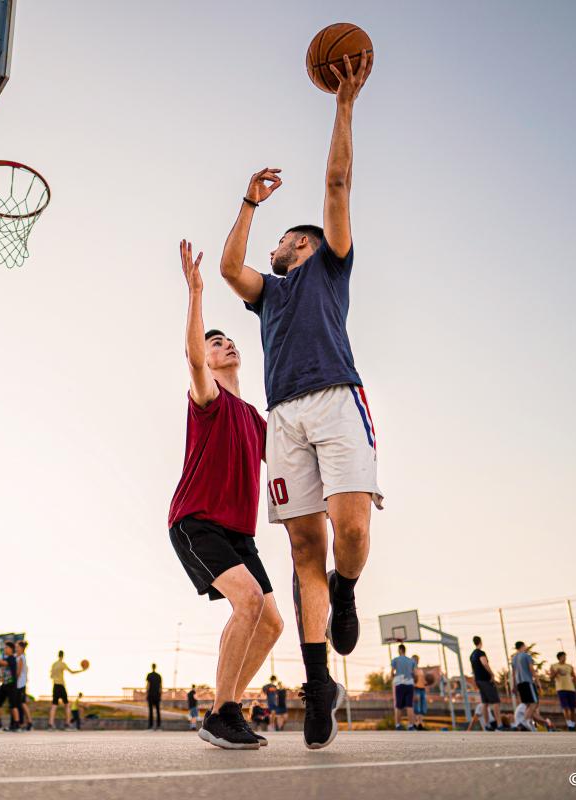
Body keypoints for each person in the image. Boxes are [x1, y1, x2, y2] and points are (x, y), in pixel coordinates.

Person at [219, 51, 377, 752]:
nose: (276, 244)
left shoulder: (330, 266)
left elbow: (338, 181)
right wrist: (250, 204)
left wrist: (343, 104)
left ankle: (347, 589)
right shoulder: (269, 295)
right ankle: (320, 687)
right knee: (302, 548)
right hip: (284, 417)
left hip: (338, 402)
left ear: (308, 246)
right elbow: (229, 269)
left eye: (285, 235)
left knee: (351, 536)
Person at [168, 241, 284, 751]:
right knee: (250, 602)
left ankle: (225, 710)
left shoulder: (256, 420)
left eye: (229, 340)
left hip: (239, 533)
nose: (224, 345)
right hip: (196, 521)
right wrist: (196, 295)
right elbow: (193, 357)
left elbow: (291, 465)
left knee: (273, 623)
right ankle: (222, 712)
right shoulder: (208, 399)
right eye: (217, 343)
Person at [469, 636, 502, 731]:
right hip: (485, 679)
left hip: (478, 680)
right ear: (480, 642)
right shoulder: (480, 653)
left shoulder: (472, 655)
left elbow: (473, 669)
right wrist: (491, 674)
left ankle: (487, 725)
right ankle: (499, 724)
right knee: (495, 701)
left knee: (485, 702)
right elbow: (484, 663)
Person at [49, 650, 86, 730]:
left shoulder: (54, 664)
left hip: (55, 685)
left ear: (58, 655)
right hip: (61, 685)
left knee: (54, 705)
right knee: (67, 705)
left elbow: (51, 676)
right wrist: (82, 670)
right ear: (63, 656)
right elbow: (72, 672)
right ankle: (67, 724)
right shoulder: (62, 664)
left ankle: (51, 724)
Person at [511, 642, 542, 731]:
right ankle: (524, 721)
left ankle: (527, 723)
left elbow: (513, 674)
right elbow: (531, 669)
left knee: (527, 704)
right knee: (534, 702)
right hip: (528, 682)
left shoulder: (514, 658)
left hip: (519, 683)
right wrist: (538, 682)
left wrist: (513, 686)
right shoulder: (526, 656)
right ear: (522, 646)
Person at [549, 651, 576, 731]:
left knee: (572, 708)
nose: (564, 658)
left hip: (571, 689)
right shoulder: (554, 666)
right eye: (563, 657)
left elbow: (574, 677)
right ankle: (569, 725)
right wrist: (556, 672)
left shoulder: (569, 666)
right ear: (559, 658)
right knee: (565, 707)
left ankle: (573, 725)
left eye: (565, 657)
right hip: (561, 689)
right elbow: (551, 678)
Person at [390, 644, 415, 730]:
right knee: (409, 705)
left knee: (398, 706)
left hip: (399, 683)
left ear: (400, 650)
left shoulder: (395, 660)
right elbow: (413, 673)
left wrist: (393, 678)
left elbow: (392, 672)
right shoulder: (411, 661)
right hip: (409, 684)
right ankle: (411, 725)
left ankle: (398, 725)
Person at [16, 641, 32, 730]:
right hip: (21, 683)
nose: (16, 648)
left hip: (20, 684)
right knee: (21, 704)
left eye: (17, 647)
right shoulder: (21, 657)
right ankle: (26, 722)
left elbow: (18, 672)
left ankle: (29, 722)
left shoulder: (21, 657)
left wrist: (14, 681)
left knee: (22, 703)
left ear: (21, 648)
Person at [411, 654, 427, 730]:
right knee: (416, 707)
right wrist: (413, 692)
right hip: (416, 689)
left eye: (417, 660)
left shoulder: (420, 670)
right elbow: (412, 681)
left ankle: (420, 723)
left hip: (422, 689)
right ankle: (415, 723)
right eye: (414, 660)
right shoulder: (411, 671)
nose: (416, 661)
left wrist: (427, 683)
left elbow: (424, 681)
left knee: (422, 706)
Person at [145, 664, 163, 732]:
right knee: (158, 711)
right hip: (157, 695)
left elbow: (148, 685)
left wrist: (146, 693)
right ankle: (158, 726)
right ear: (156, 667)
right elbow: (161, 686)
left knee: (151, 711)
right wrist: (160, 694)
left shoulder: (149, 675)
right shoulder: (159, 676)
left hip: (151, 695)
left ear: (151, 667)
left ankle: (150, 726)